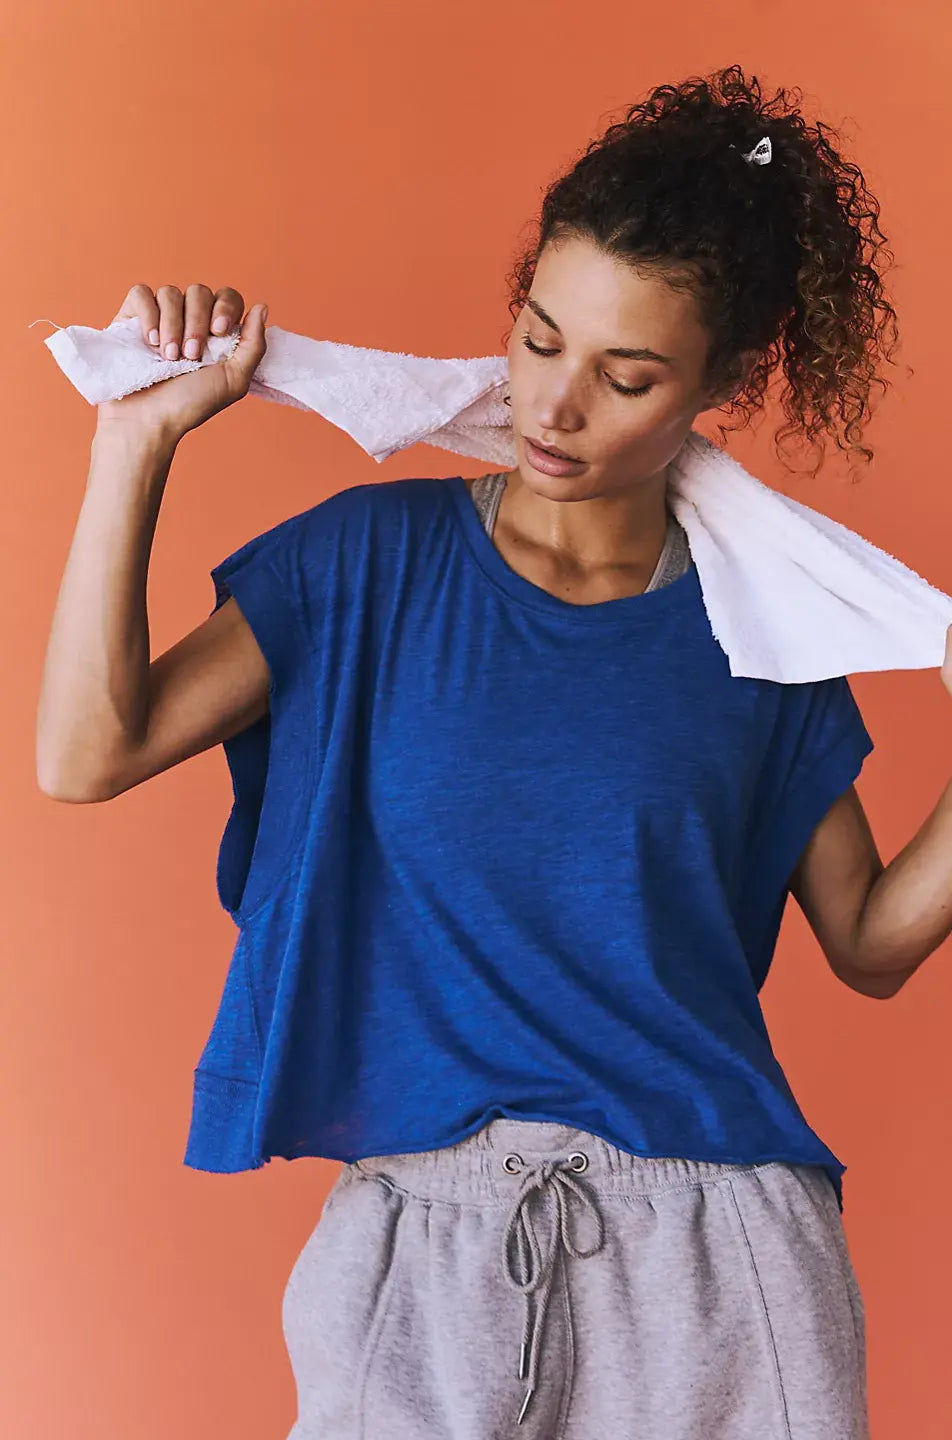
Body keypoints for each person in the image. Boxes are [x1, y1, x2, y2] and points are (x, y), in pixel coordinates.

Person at [41, 63, 938, 1439]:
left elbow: (873, 942)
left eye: (627, 376)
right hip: (421, 1238)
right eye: (538, 339)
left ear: (725, 381)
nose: (556, 406)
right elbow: (86, 755)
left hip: (720, 1243)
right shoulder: (364, 566)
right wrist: (134, 445)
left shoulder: (763, 631)